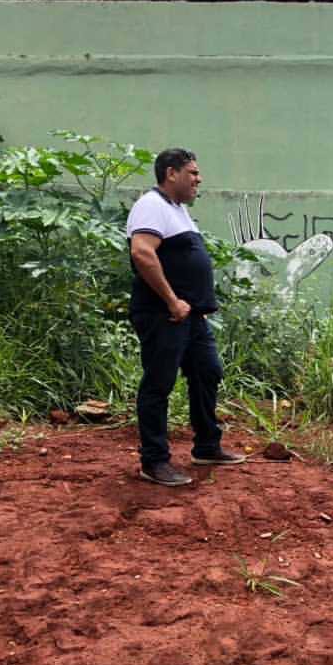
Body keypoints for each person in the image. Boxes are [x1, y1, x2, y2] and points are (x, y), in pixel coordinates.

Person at [126, 148, 245, 486]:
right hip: (164, 315)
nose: (198, 179)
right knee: (158, 384)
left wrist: (193, 307)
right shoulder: (151, 205)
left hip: (191, 317)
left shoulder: (176, 210)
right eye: (192, 172)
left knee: (208, 372)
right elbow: (142, 253)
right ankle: (154, 461)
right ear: (171, 173)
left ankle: (207, 446)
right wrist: (172, 301)